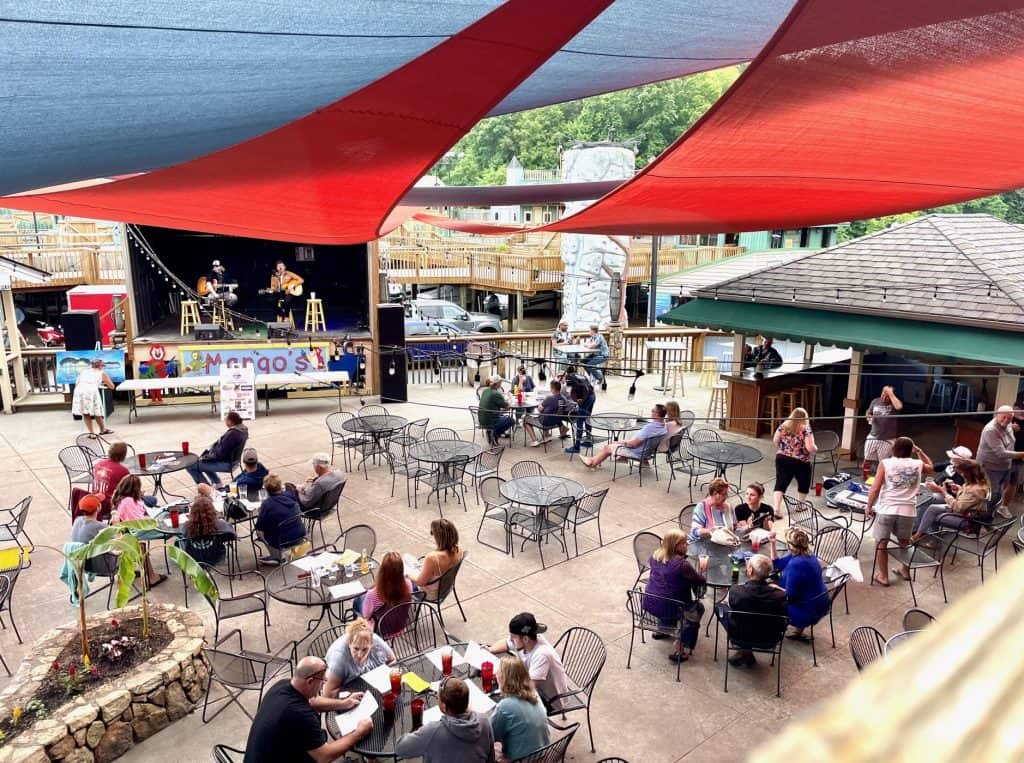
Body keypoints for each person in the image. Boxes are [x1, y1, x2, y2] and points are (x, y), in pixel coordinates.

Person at [243, 655, 372, 763]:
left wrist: (344, 703)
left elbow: (313, 701)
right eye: (323, 680)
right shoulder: (300, 715)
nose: (323, 685)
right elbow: (324, 756)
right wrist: (359, 732)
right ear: (310, 681)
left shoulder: (282, 686)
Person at [865, 436, 933, 587]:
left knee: (881, 544)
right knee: (905, 543)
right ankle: (905, 570)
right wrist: (920, 451)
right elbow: (931, 466)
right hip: (907, 510)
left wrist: (869, 506)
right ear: (911, 450)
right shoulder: (918, 464)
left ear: (894, 448)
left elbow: (875, 488)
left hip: (887, 509)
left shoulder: (886, 463)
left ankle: (883, 576)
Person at [394, 677, 496, 763]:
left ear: (444, 706)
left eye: (438, 697)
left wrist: (416, 731)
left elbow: (400, 749)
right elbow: (491, 758)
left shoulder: (432, 731)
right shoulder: (484, 721)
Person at [642, 529, 706, 664]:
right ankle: (681, 647)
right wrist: (702, 571)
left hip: (650, 602)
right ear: (675, 546)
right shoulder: (682, 564)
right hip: (670, 607)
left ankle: (662, 630)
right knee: (698, 608)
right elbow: (699, 580)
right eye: (684, 543)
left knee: (665, 594)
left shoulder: (655, 556)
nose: (687, 545)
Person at [715, 554, 787, 667]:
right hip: (769, 638)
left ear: (750, 570)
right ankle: (746, 654)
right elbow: (785, 616)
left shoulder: (736, 591)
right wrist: (781, 590)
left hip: (739, 636)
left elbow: (727, 604)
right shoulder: (779, 596)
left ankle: (745, 652)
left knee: (719, 607)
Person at [487, 613, 570, 710]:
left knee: (503, 705)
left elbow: (528, 687)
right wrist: (490, 650)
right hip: (532, 685)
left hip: (549, 699)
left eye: (513, 637)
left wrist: (502, 680)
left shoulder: (542, 655)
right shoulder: (527, 641)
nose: (510, 639)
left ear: (525, 639)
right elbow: (505, 643)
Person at [768, 527, 827, 641]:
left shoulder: (796, 565)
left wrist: (772, 587)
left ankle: (772, 632)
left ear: (790, 545)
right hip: (820, 603)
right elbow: (777, 564)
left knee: (767, 596)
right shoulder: (808, 554)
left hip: (808, 610)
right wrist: (773, 543)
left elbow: (789, 596)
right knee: (775, 586)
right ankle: (798, 631)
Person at [915, 459, 992, 541]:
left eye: (962, 473)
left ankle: (932, 540)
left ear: (968, 473)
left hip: (968, 521)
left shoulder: (975, 490)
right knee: (932, 508)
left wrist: (944, 492)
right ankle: (919, 534)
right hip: (967, 512)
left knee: (933, 516)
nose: (961, 475)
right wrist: (958, 489)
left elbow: (958, 507)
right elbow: (968, 499)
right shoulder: (978, 483)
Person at [491, 656, 550, 762]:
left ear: (503, 678)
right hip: (544, 754)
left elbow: (489, 735)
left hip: (523, 760)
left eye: (498, 674)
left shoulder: (505, 706)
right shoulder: (534, 694)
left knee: (483, 750)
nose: (496, 676)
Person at [323, 617, 397, 696]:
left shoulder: (376, 641)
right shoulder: (338, 658)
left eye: (365, 649)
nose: (360, 655)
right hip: (348, 697)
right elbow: (327, 693)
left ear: (372, 644)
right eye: (356, 648)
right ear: (349, 643)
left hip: (373, 689)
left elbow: (392, 660)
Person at [580, 403, 667, 469]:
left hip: (636, 452)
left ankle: (592, 463)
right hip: (646, 452)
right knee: (613, 445)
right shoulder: (663, 426)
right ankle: (596, 460)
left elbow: (633, 444)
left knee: (608, 447)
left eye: (653, 411)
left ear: (657, 414)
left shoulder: (650, 428)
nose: (651, 412)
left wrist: (621, 442)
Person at [977, 405, 1024, 517]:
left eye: (1009, 418)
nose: (1006, 420)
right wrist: (1022, 454)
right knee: (992, 495)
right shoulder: (991, 430)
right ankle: (979, 519)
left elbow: (1009, 438)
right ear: (997, 414)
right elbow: (1001, 453)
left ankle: (989, 518)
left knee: (998, 495)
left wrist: (1011, 428)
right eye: (1003, 417)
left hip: (1004, 466)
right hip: (990, 467)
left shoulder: (1007, 425)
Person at [771, 407, 817, 520]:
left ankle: (776, 508)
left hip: (782, 458)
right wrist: (816, 449)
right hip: (800, 461)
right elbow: (810, 447)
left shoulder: (783, 426)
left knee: (780, 483)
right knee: (804, 482)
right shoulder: (806, 429)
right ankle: (800, 505)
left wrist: (785, 449)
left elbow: (775, 441)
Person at [187, 411, 248, 486]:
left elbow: (221, 454)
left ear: (231, 421)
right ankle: (217, 483)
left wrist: (205, 457)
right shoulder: (242, 430)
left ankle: (206, 489)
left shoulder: (232, 434)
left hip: (227, 463)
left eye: (226, 420)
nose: (225, 421)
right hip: (233, 461)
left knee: (191, 466)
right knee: (202, 462)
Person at [408, 518, 464, 600]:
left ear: (438, 537)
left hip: (428, 593)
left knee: (397, 573)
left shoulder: (433, 558)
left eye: (432, 533)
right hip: (445, 589)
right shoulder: (458, 550)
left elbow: (420, 582)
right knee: (407, 557)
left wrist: (407, 574)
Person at [254, 474, 305, 563]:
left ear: (266, 490)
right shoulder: (290, 495)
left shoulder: (267, 504)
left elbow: (259, 526)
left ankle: (276, 556)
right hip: (300, 535)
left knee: (258, 532)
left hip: (282, 540)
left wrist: (261, 513)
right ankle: (289, 552)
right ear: (280, 486)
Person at [356, 551, 413, 629]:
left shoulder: (373, 594)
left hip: (381, 629)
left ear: (382, 570)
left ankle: (356, 629)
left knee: (358, 600)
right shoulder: (408, 584)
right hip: (400, 625)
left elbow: (366, 616)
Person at [177, 494, 237, 565]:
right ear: (212, 510)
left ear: (192, 512)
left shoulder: (186, 526)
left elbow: (182, 536)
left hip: (194, 560)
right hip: (216, 558)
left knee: (178, 541)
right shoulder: (220, 524)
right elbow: (233, 535)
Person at [70, 494, 117, 575]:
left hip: (83, 565)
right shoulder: (100, 526)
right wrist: (116, 522)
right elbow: (118, 538)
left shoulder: (77, 520)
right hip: (100, 567)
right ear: (98, 508)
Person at [863, 385, 903, 471]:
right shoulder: (875, 401)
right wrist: (868, 416)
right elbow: (868, 411)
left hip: (887, 439)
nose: (884, 397)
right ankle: (865, 477)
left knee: (884, 464)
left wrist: (890, 393)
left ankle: (881, 481)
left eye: (887, 395)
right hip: (873, 436)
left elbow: (899, 406)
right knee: (867, 460)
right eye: (883, 394)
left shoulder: (895, 403)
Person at [72, 357, 115, 436]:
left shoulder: (84, 371)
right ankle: (102, 429)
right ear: (100, 366)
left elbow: (77, 383)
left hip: (79, 390)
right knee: (97, 411)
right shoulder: (102, 373)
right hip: (90, 391)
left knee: (85, 413)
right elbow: (112, 386)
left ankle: (92, 433)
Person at [523, 380, 568, 446]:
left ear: (552, 389)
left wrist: (541, 403)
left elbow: (539, 410)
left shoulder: (549, 398)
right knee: (548, 412)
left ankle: (535, 441)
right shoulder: (564, 398)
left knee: (525, 419)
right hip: (557, 421)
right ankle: (546, 435)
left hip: (546, 422)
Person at [562, 369, 595, 454]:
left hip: (587, 397)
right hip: (592, 396)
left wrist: (580, 400)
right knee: (587, 418)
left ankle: (577, 447)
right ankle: (588, 441)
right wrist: (578, 399)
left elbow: (577, 391)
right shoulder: (580, 375)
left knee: (580, 421)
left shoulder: (570, 378)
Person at [91, 442, 131, 512]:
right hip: (109, 505)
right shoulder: (123, 471)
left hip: (94, 501)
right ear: (123, 455)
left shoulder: (99, 464)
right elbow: (129, 491)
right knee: (151, 500)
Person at [478, 375, 514, 445]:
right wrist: (510, 398)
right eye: (500, 382)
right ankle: (495, 435)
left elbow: (493, 406)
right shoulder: (496, 394)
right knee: (511, 420)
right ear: (498, 384)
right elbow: (507, 407)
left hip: (482, 419)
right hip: (490, 421)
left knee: (501, 415)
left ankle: (493, 432)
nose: (501, 384)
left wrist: (500, 410)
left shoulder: (485, 391)